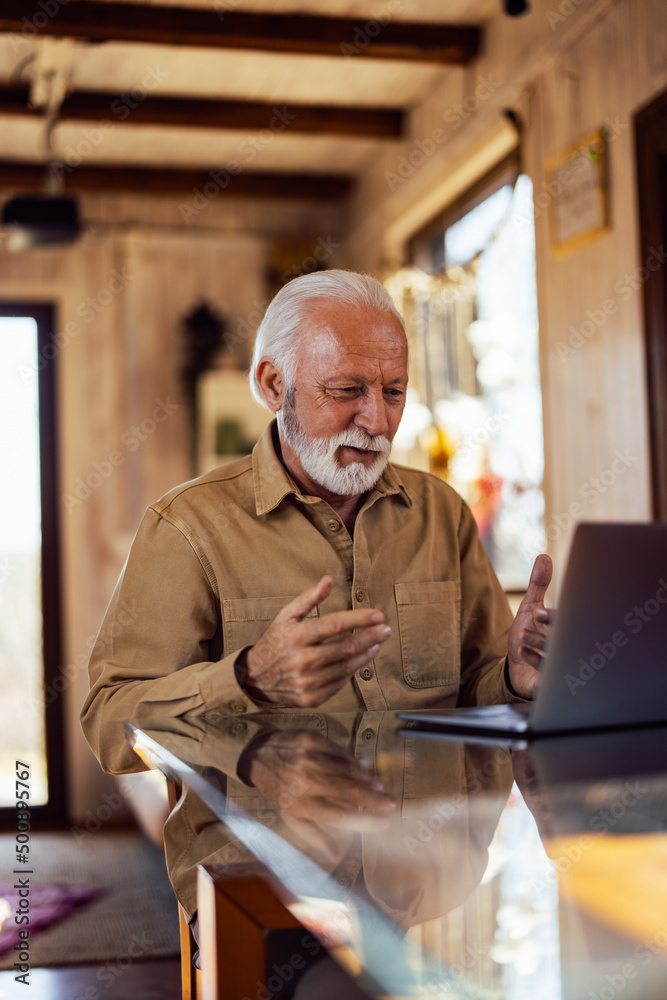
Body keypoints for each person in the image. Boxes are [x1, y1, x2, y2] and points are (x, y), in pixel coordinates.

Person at [81, 270, 552, 774]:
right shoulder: (186, 527)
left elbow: (474, 694)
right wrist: (246, 679)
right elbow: (111, 727)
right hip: (259, 854)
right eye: (348, 389)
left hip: (427, 849)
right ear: (273, 384)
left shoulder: (443, 512)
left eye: (393, 392)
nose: (376, 421)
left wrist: (513, 680)